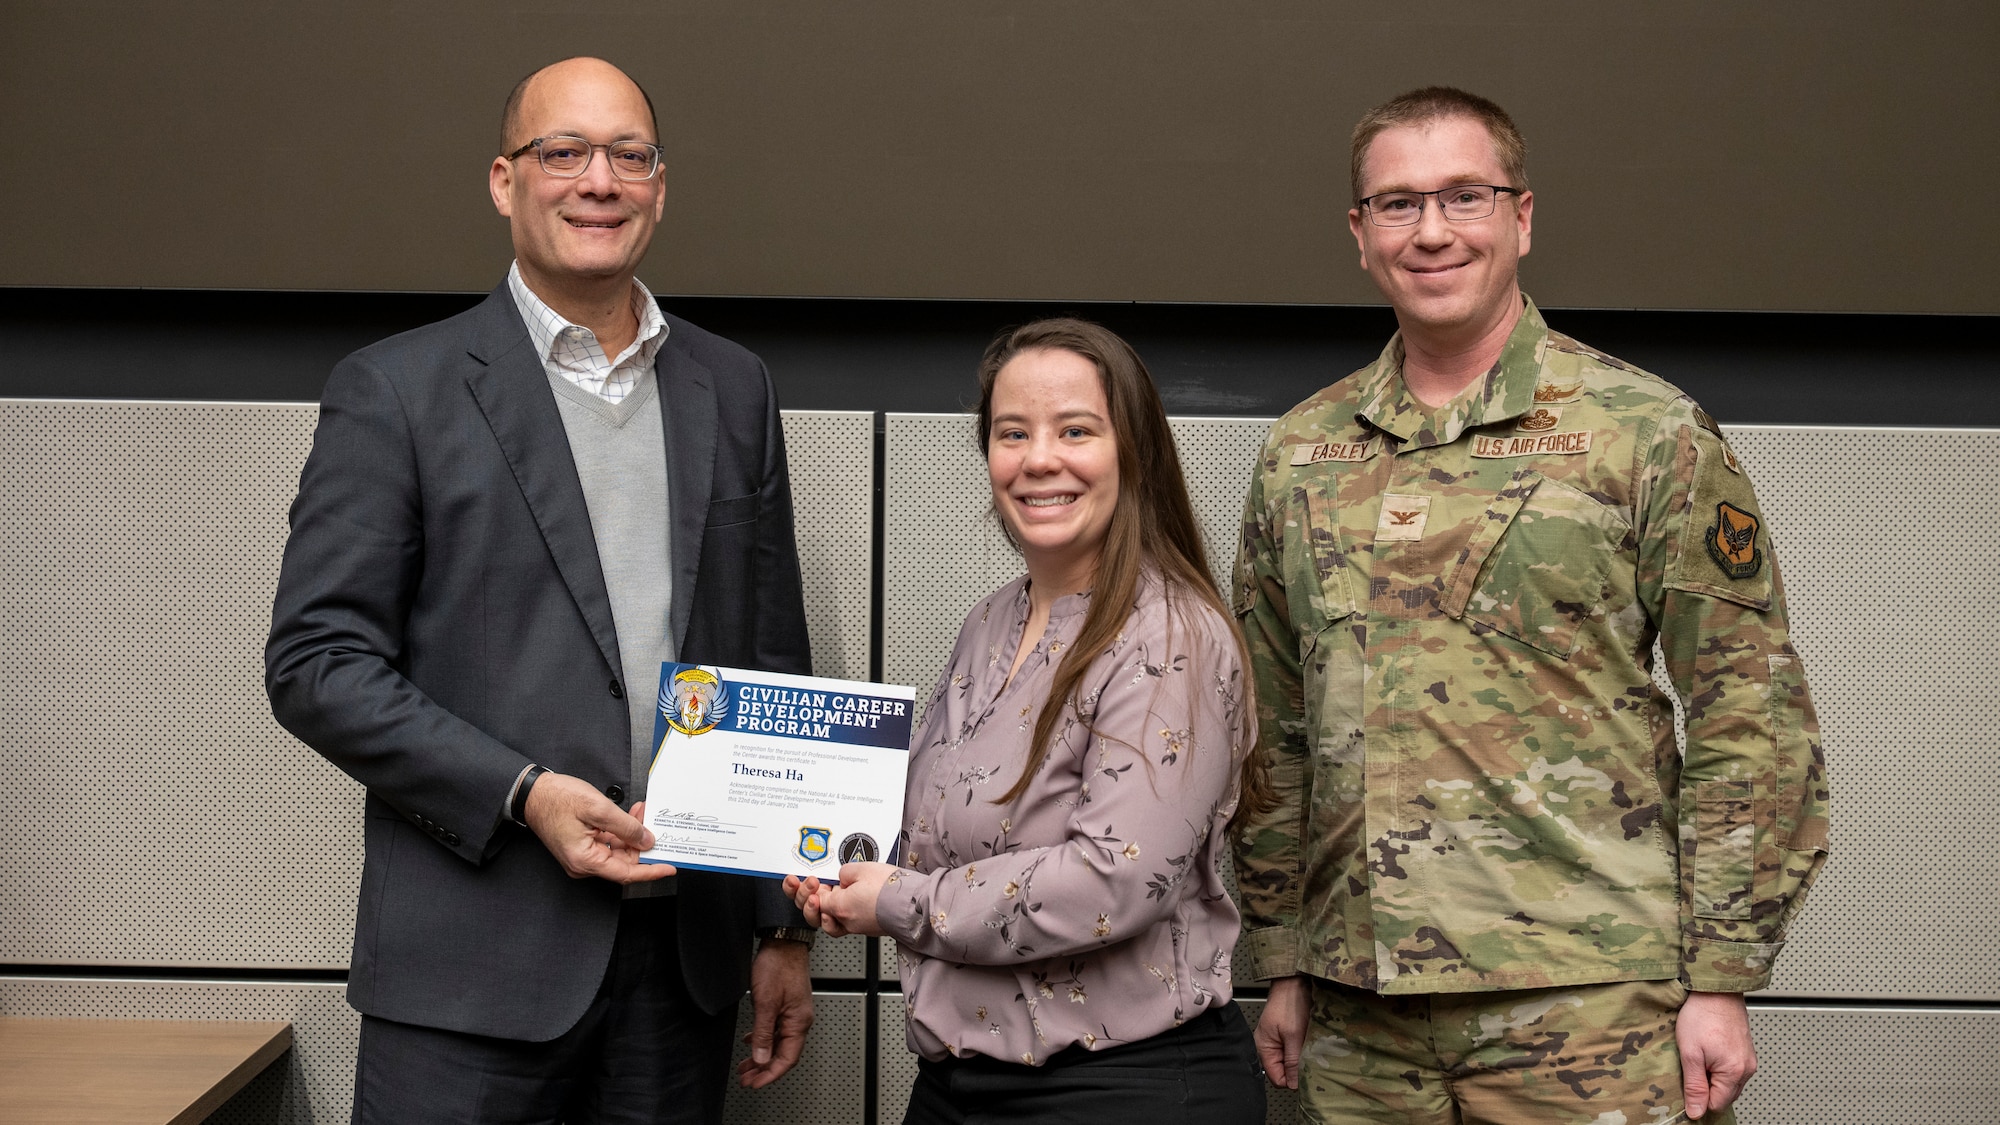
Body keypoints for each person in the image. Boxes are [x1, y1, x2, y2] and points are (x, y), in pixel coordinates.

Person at [1232, 87, 1829, 1124]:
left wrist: (1723, 974)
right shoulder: (1300, 454)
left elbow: (1747, 716)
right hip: (1357, 1015)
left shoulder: (1642, 432)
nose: (1430, 232)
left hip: (1589, 1011)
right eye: (1396, 204)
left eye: (1463, 196)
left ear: (1520, 216)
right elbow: (1270, 733)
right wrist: (1281, 955)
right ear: (1358, 234)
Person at [266, 56, 816, 1124]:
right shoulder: (396, 392)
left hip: (680, 970)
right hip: (468, 975)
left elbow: (766, 663)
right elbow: (316, 667)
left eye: (627, 155)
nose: (596, 180)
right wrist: (524, 790)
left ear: (661, 184)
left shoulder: (733, 388)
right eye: (561, 153)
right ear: (502, 180)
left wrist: (778, 926)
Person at [786, 319, 1268, 1123]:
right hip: (959, 1085)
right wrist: (809, 858)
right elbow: (930, 830)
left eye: (1075, 430)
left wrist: (897, 901)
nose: (1039, 458)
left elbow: (1113, 879)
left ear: (1134, 452)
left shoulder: (1168, 634)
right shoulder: (990, 622)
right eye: (1013, 433)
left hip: (1121, 1089)